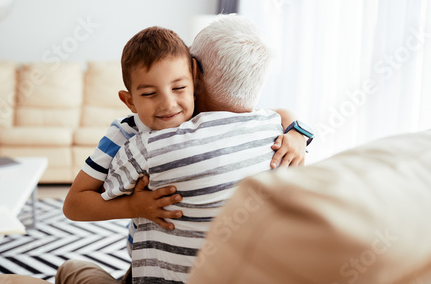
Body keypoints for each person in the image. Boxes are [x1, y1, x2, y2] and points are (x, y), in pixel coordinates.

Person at [57, 15, 308, 284]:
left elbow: (274, 113)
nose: (168, 104)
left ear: (194, 77)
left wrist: (297, 130)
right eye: (150, 94)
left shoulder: (196, 121)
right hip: (144, 254)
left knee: (74, 270)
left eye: (179, 87)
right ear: (129, 101)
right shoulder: (125, 133)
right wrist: (133, 206)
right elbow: (74, 204)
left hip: (166, 265)